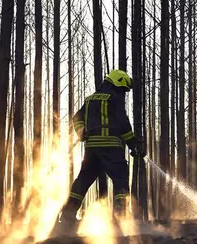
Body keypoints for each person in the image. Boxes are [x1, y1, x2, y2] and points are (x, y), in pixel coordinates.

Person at [58, 69, 146, 232]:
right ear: (117, 84)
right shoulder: (114, 100)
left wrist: (81, 130)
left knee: (83, 180)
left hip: (92, 149)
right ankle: (120, 216)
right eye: (123, 90)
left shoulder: (90, 100)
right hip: (111, 147)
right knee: (120, 179)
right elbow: (123, 124)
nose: (123, 94)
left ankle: (67, 215)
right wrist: (133, 144)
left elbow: (77, 117)